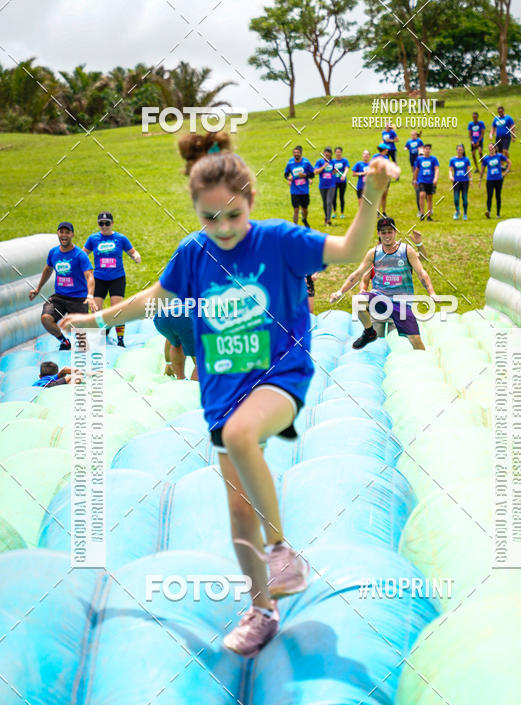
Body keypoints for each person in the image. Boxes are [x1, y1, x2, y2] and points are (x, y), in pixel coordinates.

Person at [58, 130, 398, 657]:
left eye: (233, 215)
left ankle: (282, 552)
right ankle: (262, 610)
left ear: (251, 201)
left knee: (242, 435)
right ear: (196, 210)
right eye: (210, 218)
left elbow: (350, 249)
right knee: (238, 511)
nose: (223, 228)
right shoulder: (193, 254)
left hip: (279, 377)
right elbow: (151, 299)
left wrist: (372, 192)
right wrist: (93, 321)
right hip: (222, 391)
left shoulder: (279, 240)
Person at [329, 216, 435, 351]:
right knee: (358, 300)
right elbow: (357, 274)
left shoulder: (406, 250)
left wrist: (432, 293)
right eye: (383, 232)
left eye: (390, 231)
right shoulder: (374, 253)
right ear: (378, 233)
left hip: (401, 303)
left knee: (416, 340)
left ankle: (424, 360)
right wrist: (340, 292)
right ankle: (369, 332)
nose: (387, 235)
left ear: (395, 232)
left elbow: (421, 273)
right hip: (379, 298)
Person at [28, 222, 96, 350]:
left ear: (72, 235)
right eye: (61, 232)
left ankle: (85, 353)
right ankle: (64, 342)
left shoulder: (80, 255)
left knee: (81, 337)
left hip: (78, 299)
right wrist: (38, 289)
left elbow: (89, 276)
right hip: (59, 297)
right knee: (46, 319)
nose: (64, 235)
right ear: (58, 234)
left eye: (67, 232)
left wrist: (90, 296)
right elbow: (48, 269)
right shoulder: (53, 252)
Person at [84, 212, 141, 348]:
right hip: (99, 279)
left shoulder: (120, 238)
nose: (104, 226)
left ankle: (120, 339)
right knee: (96, 309)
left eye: (107, 223)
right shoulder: (93, 239)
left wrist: (136, 256)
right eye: (101, 223)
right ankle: (102, 333)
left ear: (112, 223)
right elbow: (82, 254)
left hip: (117, 278)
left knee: (117, 309)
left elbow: (132, 251)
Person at [153, 298, 198, 380]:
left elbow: (169, 341)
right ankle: (195, 385)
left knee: (176, 343)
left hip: (160, 316)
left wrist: (168, 362)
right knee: (201, 359)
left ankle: (180, 378)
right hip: (184, 315)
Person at [284, 145, 314, 227]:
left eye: (297, 152)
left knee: (305, 209)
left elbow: (312, 175)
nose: (296, 154)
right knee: (296, 209)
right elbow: (286, 174)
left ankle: (304, 219)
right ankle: (295, 227)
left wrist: (305, 175)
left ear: (301, 153)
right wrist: (288, 178)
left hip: (304, 191)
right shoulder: (290, 163)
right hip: (294, 191)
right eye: (294, 153)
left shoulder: (306, 163)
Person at [479, 142, 511, 218]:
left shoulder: (499, 156)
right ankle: (488, 212)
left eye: (492, 147)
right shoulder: (486, 159)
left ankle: (498, 214)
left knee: (498, 196)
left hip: (499, 179)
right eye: (489, 148)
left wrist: (506, 172)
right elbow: (482, 170)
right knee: (489, 196)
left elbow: (509, 162)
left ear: (495, 148)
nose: (491, 149)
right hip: (490, 179)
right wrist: (480, 179)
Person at [413, 144, 439, 221]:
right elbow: (417, 170)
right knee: (422, 195)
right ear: (423, 150)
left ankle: (429, 215)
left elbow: (436, 169)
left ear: (430, 150)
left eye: (428, 149)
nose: (427, 150)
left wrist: (435, 178)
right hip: (422, 180)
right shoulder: (419, 159)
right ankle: (422, 213)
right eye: (426, 149)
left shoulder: (433, 159)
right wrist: (415, 179)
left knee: (429, 198)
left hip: (430, 181)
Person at [314, 147, 337, 226]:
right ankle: (326, 217)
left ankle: (328, 219)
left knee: (329, 202)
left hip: (331, 185)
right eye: (325, 152)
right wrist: (323, 166)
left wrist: (334, 172)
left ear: (331, 154)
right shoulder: (319, 162)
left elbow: (334, 171)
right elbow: (316, 172)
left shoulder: (333, 162)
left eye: (328, 152)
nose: (326, 154)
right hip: (322, 186)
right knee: (325, 203)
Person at [448, 144, 471, 220]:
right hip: (456, 181)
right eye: (458, 150)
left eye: (461, 150)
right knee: (456, 198)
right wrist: (451, 176)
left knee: (464, 197)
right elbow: (450, 170)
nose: (459, 151)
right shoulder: (452, 160)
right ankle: (457, 211)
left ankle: (465, 214)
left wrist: (470, 179)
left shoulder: (466, 159)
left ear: (463, 151)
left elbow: (468, 170)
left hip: (465, 181)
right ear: (456, 150)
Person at [371, 143, 392, 214]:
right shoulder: (375, 157)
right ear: (384, 150)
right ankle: (377, 211)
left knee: (384, 195)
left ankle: (384, 211)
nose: (387, 150)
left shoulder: (386, 157)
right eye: (386, 149)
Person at [331, 147, 350, 218]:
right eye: (337, 152)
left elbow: (346, 168)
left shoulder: (344, 160)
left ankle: (342, 213)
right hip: (334, 182)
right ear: (335, 153)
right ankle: (334, 212)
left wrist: (344, 175)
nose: (338, 153)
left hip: (342, 181)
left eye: (339, 152)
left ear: (341, 153)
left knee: (341, 197)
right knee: (334, 197)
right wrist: (334, 172)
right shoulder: (332, 161)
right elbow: (330, 172)